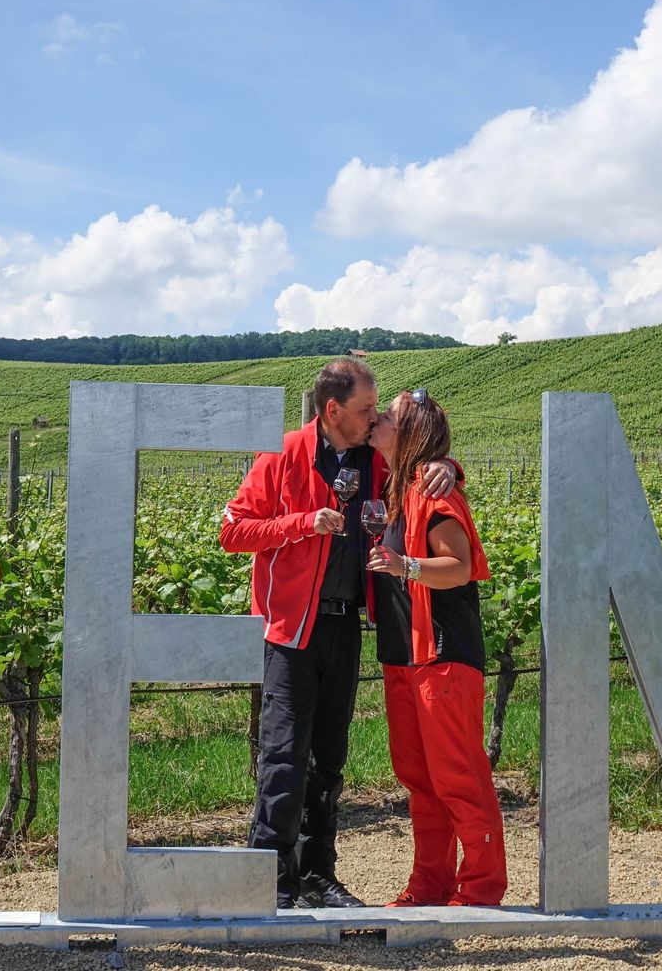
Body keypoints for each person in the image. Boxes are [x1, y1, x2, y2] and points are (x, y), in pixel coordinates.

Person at [220, 358, 455, 909]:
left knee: (329, 757)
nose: (375, 419)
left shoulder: (374, 458)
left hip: (345, 623)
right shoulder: (281, 454)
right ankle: (270, 881)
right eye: (366, 409)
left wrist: (449, 464)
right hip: (290, 630)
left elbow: (420, 465)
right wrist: (301, 523)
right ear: (332, 410)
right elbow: (232, 530)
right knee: (283, 755)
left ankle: (317, 878)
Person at [364, 389, 506, 907]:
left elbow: (461, 566)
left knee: (457, 775)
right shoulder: (397, 485)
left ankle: (483, 889)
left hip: (443, 653)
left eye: (388, 416)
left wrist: (408, 567)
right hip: (403, 655)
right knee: (420, 779)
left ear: (409, 434)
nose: (376, 419)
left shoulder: (436, 492)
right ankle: (429, 884)